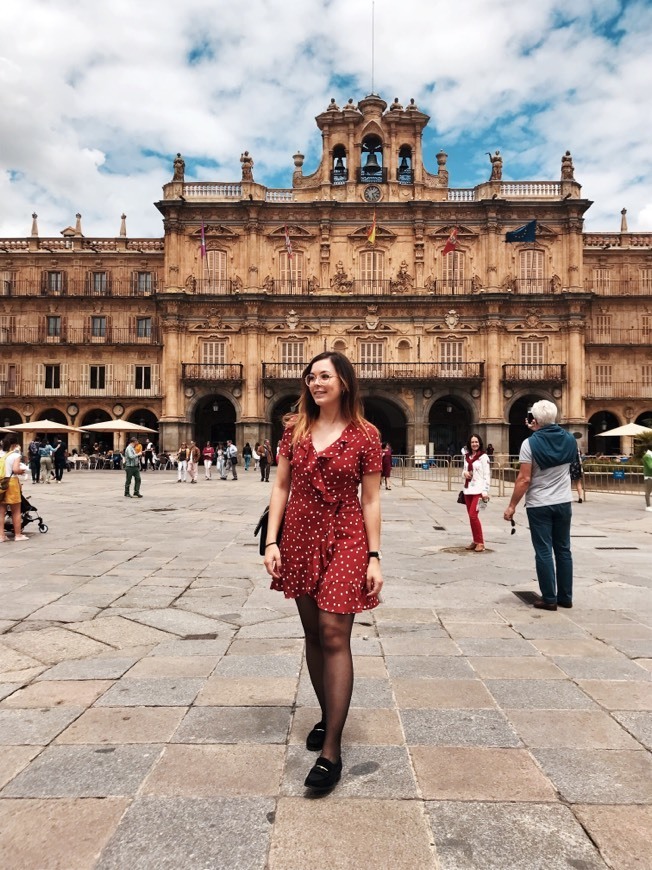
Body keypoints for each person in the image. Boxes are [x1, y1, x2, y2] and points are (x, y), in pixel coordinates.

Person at [263, 351, 383, 793]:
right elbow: (280, 486)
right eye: (310, 377)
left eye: (325, 376)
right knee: (313, 634)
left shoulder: (366, 434)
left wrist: (374, 555)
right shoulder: (294, 429)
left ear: (345, 382)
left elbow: (370, 499)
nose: (316, 383)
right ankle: (329, 713)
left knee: (334, 632)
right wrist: (271, 541)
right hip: (298, 536)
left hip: (346, 535)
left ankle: (331, 748)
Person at [503, 400, 577, 610]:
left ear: (534, 420)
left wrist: (511, 506)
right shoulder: (570, 439)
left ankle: (549, 599)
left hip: (540, 504)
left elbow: (524, 479)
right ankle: (565, 597)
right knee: (563, 550)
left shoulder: (530, 444)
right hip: (563, 502)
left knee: (543, 550)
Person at [462, 434, 491, 552]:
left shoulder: (484, 457)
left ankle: (481, 542)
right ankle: (475, 540)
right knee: (471, 517)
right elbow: (463, 470)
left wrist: (485, 491)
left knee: (473, 515)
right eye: (473, 442)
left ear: (480, 443)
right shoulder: (466, 456)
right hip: (468, 489)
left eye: (477, 442)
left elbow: (487, 475)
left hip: (479, 490)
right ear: (469, 443)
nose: (475, 444)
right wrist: (465, 474)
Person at [0, 436, 29, 542]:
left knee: (1, 511)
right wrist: (21, 471)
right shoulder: (15, 455)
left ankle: (1, 536)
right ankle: (18, 535)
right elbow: (16, 469)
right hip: (11, 482)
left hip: (1, 482)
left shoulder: (1, 454)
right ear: (15, 445)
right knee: (16, 511)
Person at [643, 446, 652, 512]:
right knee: (648, 491)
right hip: (649, 476)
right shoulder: (647, 456)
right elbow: (650, 466)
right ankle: (648, 506)